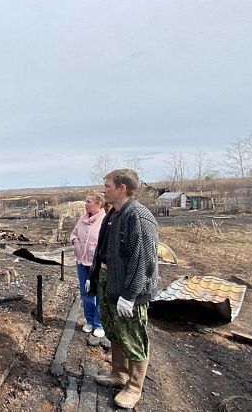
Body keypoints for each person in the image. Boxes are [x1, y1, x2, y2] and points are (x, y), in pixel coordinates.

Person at [87, 169, 159, 409]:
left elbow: (144, 261)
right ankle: (119, 374)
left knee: (133, 335)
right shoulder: (113, 215)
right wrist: (94, 275)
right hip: (110, 281)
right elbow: (102, 249)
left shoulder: (138, 217)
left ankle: (134, 387)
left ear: (122, 188)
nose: (103, 189)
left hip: (131, 291)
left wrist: (130, 296)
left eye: (107, 185)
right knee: (114, 329)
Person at [70, 192, 106, 338]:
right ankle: (89, 320)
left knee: (98, 293)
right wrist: (76, 242)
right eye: (86, 201)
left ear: (98, 204)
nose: (85, 204)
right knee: (86, 293)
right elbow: (73, 233)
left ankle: (99, 324)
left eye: (89, 201)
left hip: (96, 263)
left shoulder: (104, 220)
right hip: (81, 261)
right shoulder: (82, 219)